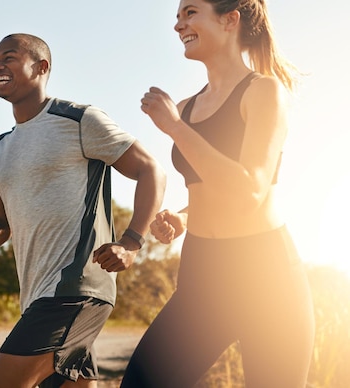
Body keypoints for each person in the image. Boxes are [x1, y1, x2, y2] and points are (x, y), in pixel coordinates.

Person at [0, 33, 166, 388]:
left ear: (41, 66)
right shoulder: (1, 148)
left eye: (9, 57)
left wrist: (131, 242)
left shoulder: (79, 119)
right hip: (37, 299)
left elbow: (149, 169)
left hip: (75, 290)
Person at [120, 0, 315, 387]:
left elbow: (250, 191)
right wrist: (183, 216)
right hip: (203, 271)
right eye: (177, 16)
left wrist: (175, 128)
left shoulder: (263, 92)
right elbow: (212, 186)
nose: (178, 25)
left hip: (265, 275)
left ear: (230, 20)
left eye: (190, 12)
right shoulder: (188, 106)